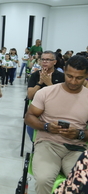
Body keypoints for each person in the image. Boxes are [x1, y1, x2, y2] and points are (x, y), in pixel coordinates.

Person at [25, 55, 88, 194]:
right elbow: (29, 117)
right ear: (64, 70)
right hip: (48, 144)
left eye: (79, 78)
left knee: (82, 183)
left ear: (86, 76)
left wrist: (80, 133)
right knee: (43, 179)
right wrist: (46, 126)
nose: (73, 81)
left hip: (76, 147)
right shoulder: (46, 92)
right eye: (69, 76)